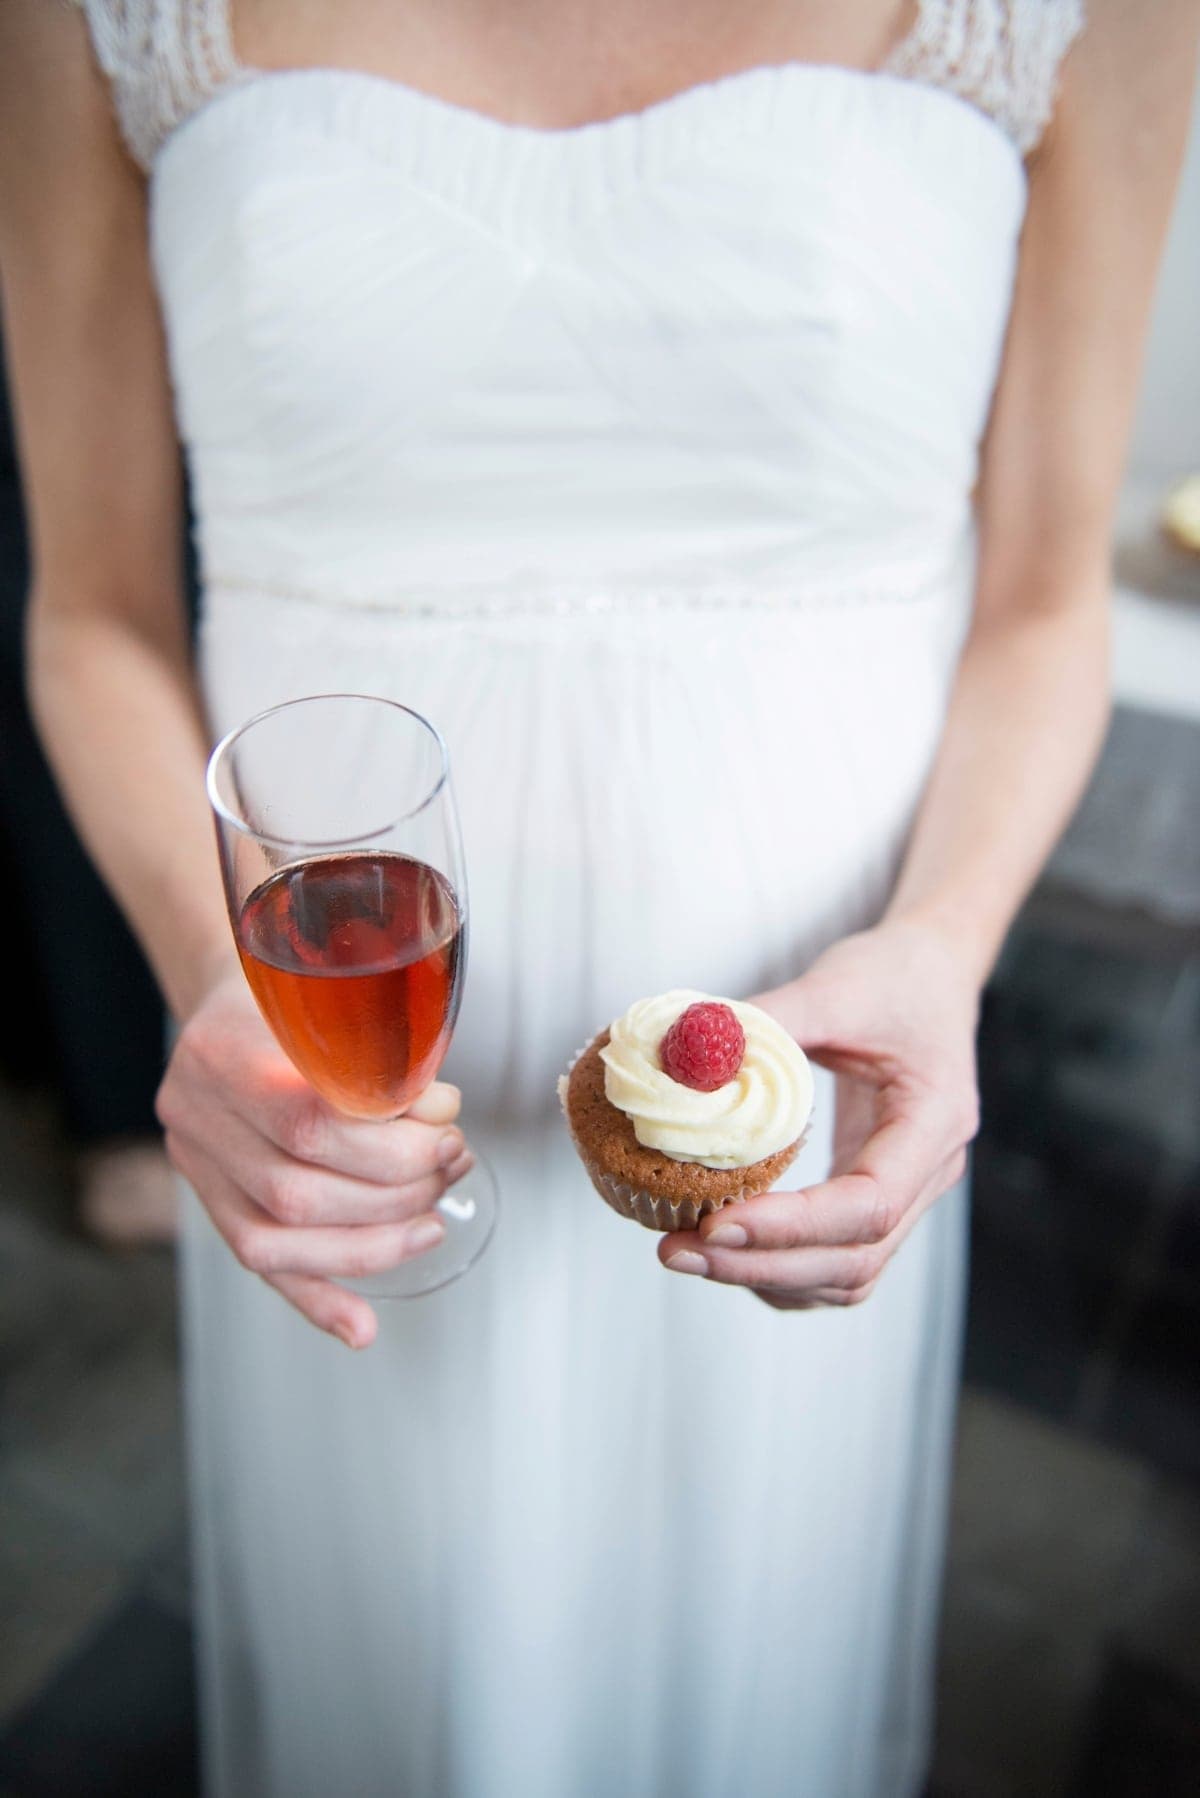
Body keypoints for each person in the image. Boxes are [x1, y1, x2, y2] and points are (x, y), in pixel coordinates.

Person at [1, 2, 1195, 1793]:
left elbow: (1042, 599)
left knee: (745, 1657)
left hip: (811, 1092)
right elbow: (91, 609)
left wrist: (942, 953)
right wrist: (201, 968)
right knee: (402, 1675)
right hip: (328, 1097)